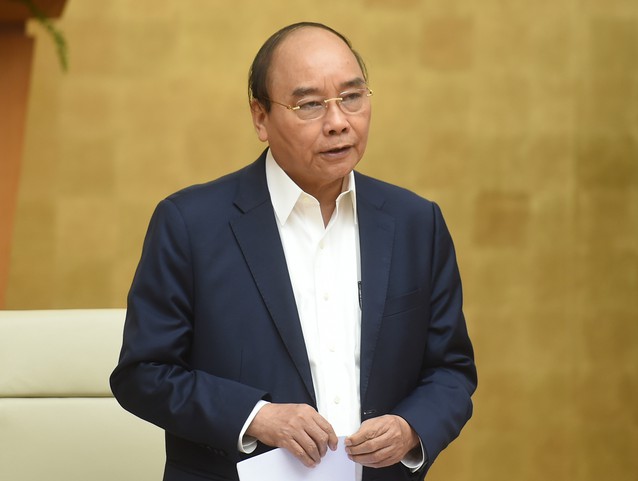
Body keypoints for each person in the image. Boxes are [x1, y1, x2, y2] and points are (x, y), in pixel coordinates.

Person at [110, 21, 477, 481]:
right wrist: (255, 416)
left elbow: (451, 370)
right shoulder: (190, 224)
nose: (338, 122)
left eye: (352, 97)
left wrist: (410, 428)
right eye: (309, 105)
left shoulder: (416, 223)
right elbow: (143, 373)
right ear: (260, 118)